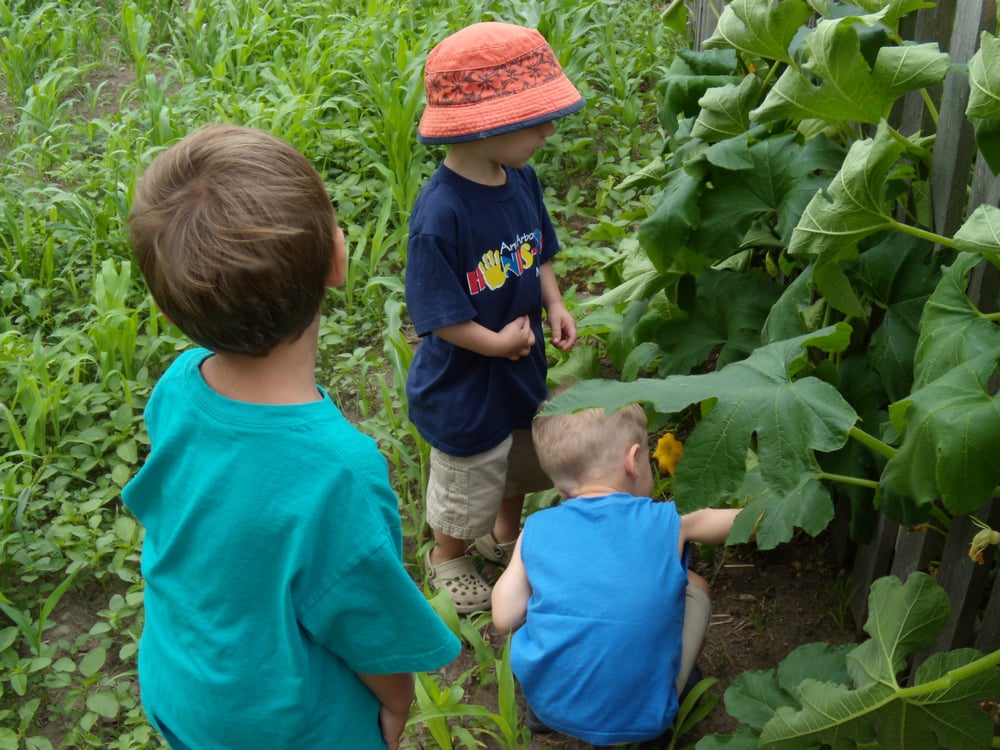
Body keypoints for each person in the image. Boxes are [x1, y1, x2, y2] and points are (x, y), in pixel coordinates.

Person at [123, 124, 460, 750]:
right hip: (287, 729)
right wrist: (397, 703)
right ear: (338, 258)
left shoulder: (177, 386)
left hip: (181, 688)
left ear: (170, 313)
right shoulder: (340, 470)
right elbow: (368, 626)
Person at [405, 21, 583, 614]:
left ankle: (504, 534)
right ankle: (447, 556)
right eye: (536, 121)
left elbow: (539, 251)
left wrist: (553, 303)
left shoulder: (521, 180)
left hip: (518, 364)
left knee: (519, 457)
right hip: (465, 384)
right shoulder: (441, 215)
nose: (549, 131)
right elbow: (437, 317)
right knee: (468, 476)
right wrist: (495, 343)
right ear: (485, 124)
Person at [491, 397, 742, 745]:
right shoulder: (669, 519)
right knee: (696, 586)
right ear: (633, 460)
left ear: (559, 486)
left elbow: (504, 618)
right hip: (645, 717)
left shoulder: (535, 528)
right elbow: (742, 523)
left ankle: (546, 702)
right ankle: (670, 692)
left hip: (550, 705)